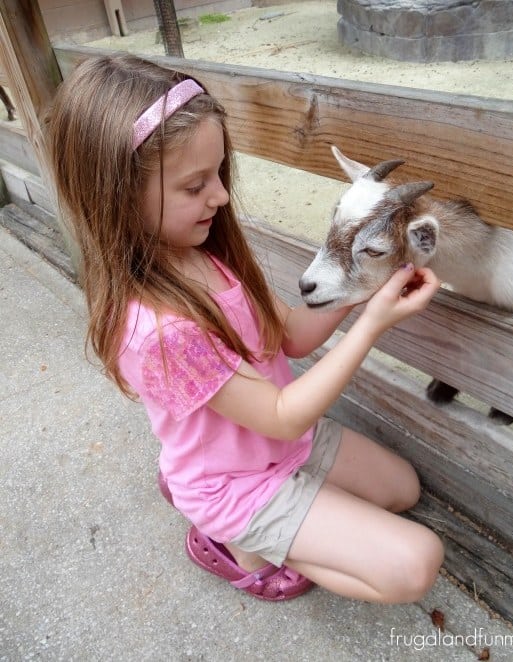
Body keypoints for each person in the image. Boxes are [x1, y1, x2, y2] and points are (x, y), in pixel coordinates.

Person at [46, 53, 444, 603]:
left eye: (219, 173)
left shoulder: (204, 252)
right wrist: (373, 324)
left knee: (403, 490)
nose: (222, 196)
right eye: (195, 186)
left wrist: (367, 287)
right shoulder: (160, 331)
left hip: (281, 445)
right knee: (416, 564)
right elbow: (281, 416)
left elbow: (295, 337)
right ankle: (240, 546)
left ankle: (263, 515)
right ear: (114, 195)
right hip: (239, 479)